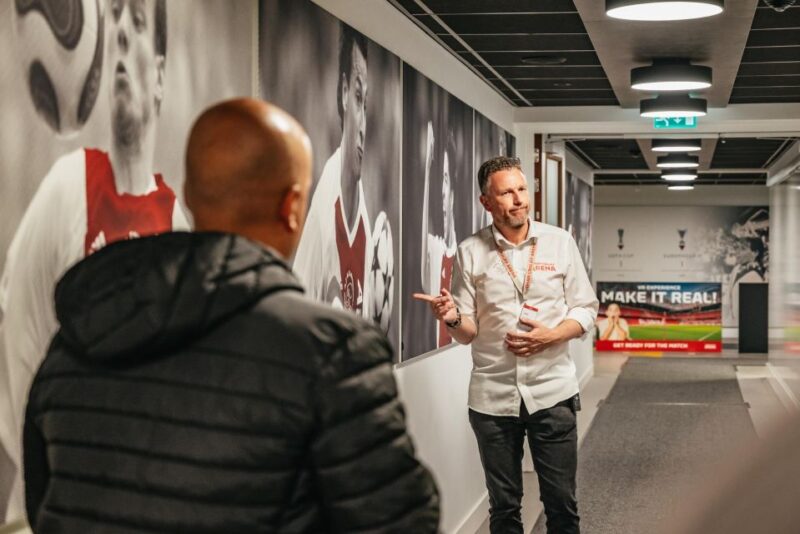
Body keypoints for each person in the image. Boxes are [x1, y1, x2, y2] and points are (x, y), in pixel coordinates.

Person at [23, 98, 439, 532]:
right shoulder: (334, 350)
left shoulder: (78, 336)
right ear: (292, 206)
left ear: (190, 195)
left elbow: (43, 503)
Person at [0, 0, 187, 522]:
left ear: (161, 78)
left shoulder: (179, 228)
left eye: (140, 23)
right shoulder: (67, 188)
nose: (121, 33)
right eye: (117, 19)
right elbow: (13, 365)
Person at [414, 156, 598, 534]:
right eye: (506, 193)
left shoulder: (560, 243)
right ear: (486, 202)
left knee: (562, 505)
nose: (518, 200)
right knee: (503, 508)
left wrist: (551, 335)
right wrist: (450, 316)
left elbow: (586, 309)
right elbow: (467, 332)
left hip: (553, 393)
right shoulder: (469, 252)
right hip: (493, 399)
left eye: (521, 189)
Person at [293, 23, 391, 332]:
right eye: (358, 98)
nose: (363, 123)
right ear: (344, 92)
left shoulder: (361, 204)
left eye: (367, 103)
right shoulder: (323, 216)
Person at [420, 121, 458, 348]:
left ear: (453, 189)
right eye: (440, 181)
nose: (442, 192)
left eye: (446, 180)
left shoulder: (466, 253)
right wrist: (427, 165)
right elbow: (424, 232)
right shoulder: (436, 249)